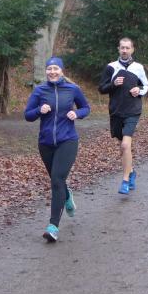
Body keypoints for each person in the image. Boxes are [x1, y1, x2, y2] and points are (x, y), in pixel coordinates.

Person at [24, 57, 91, 242]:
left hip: (67, 141)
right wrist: (39, 110)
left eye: (55, 68)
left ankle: (53, 226)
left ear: (61, 71)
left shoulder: (72, 89)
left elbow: (86, 108)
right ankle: (67, 195)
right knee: (57, 180)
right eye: (49, 69)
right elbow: (27, 115)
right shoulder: (39, 91)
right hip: (45, 143)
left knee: (56, 180)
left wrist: (77, 113)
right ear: (46, 71)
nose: (52, 71)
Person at [98, 37, 148, 195]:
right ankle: (131, 171)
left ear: (132, 49)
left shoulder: (138, 67)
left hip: (133, 110)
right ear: (118, 49)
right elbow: (101, 88)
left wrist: (139, 90)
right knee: (123, 147)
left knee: (125, 145)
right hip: (116, 112)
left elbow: (145, 85)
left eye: (128, 48)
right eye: (122, 48)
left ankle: (125, 181)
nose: (125, 50)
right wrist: (113, 84)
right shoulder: (111, 67)